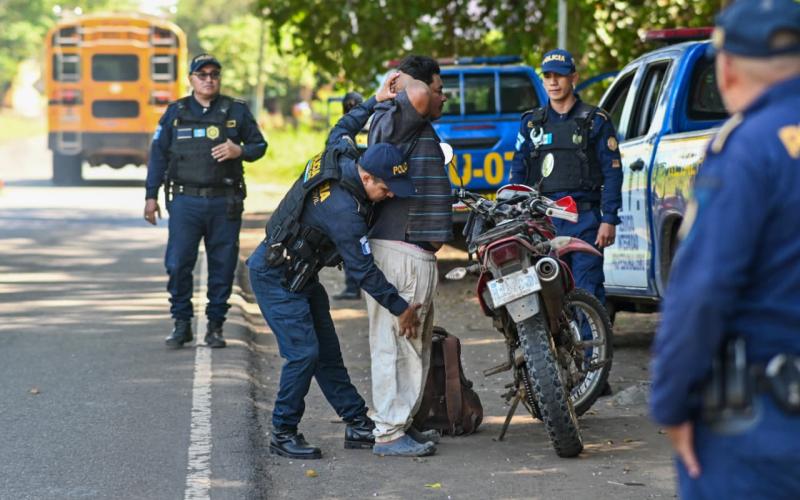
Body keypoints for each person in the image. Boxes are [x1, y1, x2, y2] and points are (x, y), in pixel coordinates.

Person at [650, 1, 800, 498]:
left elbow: (702, 289)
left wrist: (670, 404)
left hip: (766, 427)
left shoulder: (748, 148)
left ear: (727, 67)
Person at [245, 74, 433, 460]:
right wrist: (403, 308)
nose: (388, 197)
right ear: (367, 176)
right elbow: (363, 271)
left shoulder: (344, 154)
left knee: (327, 353)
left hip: (301, 276)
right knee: (303, 354)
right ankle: (282, 431)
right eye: (385, 190)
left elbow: (343, 126)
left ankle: (358, 425)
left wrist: (375, 99)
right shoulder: (344, 211)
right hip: (274, 276)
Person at [144, 53, 267, 349]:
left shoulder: (236, 110)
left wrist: (240, 151)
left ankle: (215, 326)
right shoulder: (176, 113)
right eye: (202, 75)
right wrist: (151, 196)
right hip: (185, 201)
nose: (209, 79)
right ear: (191, 80)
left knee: (222, 266)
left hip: (224, 202)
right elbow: (158, 156)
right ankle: (182, 323)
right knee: (177, 263)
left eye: (214, 74)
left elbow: (259, 145)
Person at [365, 55, 451, 456]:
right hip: (399, 248)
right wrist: (396, 82)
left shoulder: (409, 123)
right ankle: (388, 431)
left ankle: (402, 423)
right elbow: (415, 92)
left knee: (413, 343)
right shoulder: (400, 115)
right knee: (393, 343)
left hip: (411, 251)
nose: (442, 97)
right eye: (438, 89)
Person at [510, 49, 622, 306]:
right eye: (547, 76)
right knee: (548, 294)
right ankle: (559, 347)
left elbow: (612, 173)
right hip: (544, 222)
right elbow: (519, 170)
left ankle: (592, 347)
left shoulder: (595, 121)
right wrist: (516, 213)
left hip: (584, 220)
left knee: (588, 290)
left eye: (559, 75)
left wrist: (610, 219)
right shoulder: (531, 123)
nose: (553, 81)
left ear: (573, 77)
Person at [332, 91, 365, 301]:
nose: (351, 108)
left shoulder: (371, 127)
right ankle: (353, 286)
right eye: (349, 105)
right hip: (352, 190)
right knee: (350, 240)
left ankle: (360, 285)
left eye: (355, 105)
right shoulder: (342, 130)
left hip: (370, 190)